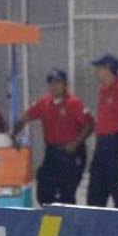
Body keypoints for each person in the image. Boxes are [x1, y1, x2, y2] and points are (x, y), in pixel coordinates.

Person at [13, 69, 94, 205]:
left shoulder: (74, 103)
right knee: (44, 187)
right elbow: (24, 118)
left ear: (65, 84)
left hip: (71, 154)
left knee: (67, 194)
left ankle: (67, 222)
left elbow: (90, 125)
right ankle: (50, 217)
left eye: (58, 82)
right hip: (52, 152)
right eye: (51, 83)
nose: (54, 86)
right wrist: (13, 135)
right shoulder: (44, 103)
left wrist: (75, 144)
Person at [87, 53, 118, 208]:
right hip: (102, 144)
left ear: (108, 69)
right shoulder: (103, 90)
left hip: (117, 144)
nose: (96, 72)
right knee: (95, 191)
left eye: (99, 69)